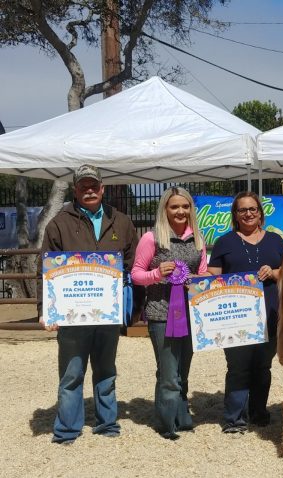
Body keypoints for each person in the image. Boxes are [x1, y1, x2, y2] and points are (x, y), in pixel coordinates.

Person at [38, 164, 138, 444]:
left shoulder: (121, 221)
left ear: (102, 188)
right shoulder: (59, 223)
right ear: (75, 189)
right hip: (71, 317)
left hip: (107, 314)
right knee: (71, 374)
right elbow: (44, 270)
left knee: (106, 371)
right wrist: (44, 311)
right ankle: (68, 429)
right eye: (84, 186)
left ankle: (107, 424)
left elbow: (130, 264)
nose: (90, 190)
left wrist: (126, 304)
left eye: (94, 185)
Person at [131, 187, 208, 440]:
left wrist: (197, 279)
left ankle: (181, 416)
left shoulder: (198, 238)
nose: (181, 211)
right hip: (161, 315)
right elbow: (136, 274)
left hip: (191, 315)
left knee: (182, 373)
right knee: (168, 374)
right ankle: (167, 424)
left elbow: (205, 272)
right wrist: (156, 274)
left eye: (185, 206)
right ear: (165, 209)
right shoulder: (151, 238)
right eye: (174, 206)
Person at [207, 191, 283, 433]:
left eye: (253, 209)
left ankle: (259, 413)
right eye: (243, 210)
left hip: (270, 316)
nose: (248, 213)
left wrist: (274, 272)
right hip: (235, 318)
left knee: (263, 368)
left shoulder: (275, 240)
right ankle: (234, 419)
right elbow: (213, 275)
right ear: (235, 215)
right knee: (238, 368)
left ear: (260, 214)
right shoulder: (224, 242)